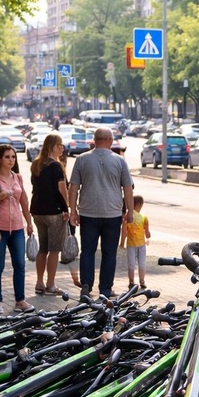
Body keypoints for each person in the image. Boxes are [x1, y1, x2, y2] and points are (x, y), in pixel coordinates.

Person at [68, 127, 133, 299]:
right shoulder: (120, 161)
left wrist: (73, 211)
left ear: (94, 141)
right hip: (113, 213)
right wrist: (130, 212)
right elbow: (127, 189)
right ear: (110, 141)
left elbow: (73, 188)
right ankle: (105, 289)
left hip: (88, 213)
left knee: (87, 251)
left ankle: (86, 285)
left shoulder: (81, 160)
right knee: (109, 252)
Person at [0, 145, 35, 315]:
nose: (11, 160)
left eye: (13, 157)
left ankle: (20, 300)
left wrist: (29, 222)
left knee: (20, 264)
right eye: (7, 157)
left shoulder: (18, 177)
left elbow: (24, 202)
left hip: (18, 228)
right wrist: (1, 196)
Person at [29, 134, 70, 296]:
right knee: (54, 249)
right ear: (52, 146)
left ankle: (39, 283)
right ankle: (50, 284)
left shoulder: (36, 164)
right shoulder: (56, 166)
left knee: (43, 248)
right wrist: (66, 209)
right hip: (53, 211)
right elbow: (61, 189)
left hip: (37, 210)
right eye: (60, 145)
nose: (62, 148)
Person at [119, 195, 151, 289]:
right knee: (142, 263)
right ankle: (142, 281)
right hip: (141, 244)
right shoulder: (144, 217)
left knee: (131, 263)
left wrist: (121, 243)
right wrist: (148, 235)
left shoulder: (127, 217)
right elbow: (147, 234)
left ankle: (131, 282)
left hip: (130, 244)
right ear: (140, 204)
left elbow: (124, 232)